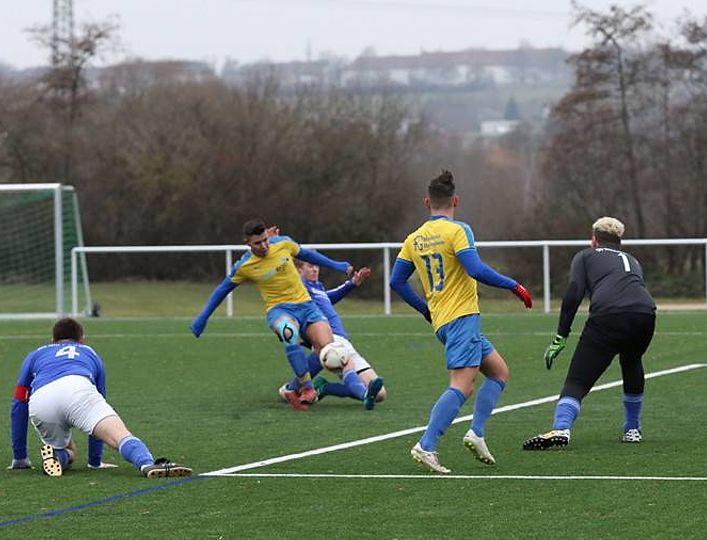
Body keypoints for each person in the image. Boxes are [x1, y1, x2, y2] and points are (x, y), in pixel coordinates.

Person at [390, 170, 533, 474]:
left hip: (444, 322)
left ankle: (476, 433)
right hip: (462, 319)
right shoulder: (458, 230)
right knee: (461, 386)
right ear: (455, 200)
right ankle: (426, 445)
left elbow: (396, 281)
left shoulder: (413, 239)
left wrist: (425, 309)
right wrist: (514, 285)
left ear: (427, 202)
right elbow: (475, 269)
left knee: (499, 372)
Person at [191, 219, 361, 411]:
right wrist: (203, 318)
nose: (264, 246)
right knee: (289, 333)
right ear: (247, 242)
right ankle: (307, 388)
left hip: (307, 307)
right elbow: (222, 289)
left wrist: (337, 265)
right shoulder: (244, 266)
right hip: (279, 310)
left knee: (327, 347)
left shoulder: (283, 243)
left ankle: (293, 389)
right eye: (258, 243)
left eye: (265, 240)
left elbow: (308, 255)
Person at [523, 217, 656, 451]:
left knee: (577, 380)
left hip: (609, 315)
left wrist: (561, 335)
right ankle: (632, 429)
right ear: (620, 241)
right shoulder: (632, 260)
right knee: (632, 361)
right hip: (645, 314)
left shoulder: (585, 256)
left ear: (594, 240)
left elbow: (574, 293)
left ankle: (561, 428)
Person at [9, 318, 192, 478]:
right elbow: (99, 397)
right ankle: (146, 463)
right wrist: (95, 462)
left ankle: (58, 456)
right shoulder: (90, 353)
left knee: (67, 449)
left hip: (42, 400)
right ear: (82, 339)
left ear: (52, 340)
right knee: (120, 436)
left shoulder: (36, 354)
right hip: (79, 390)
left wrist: (20, 458)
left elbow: (19, 402)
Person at [276, 257, 386, 410]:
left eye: (316, 266)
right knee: (343, 360)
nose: (315, 269)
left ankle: (321, 388)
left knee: (380, 394)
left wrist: (352, 284)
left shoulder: (317, 287)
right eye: (310, 266)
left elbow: (327, 297)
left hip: (342, 340)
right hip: (329, 338)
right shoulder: (299, 288)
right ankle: (364, 396)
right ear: (299, 269)